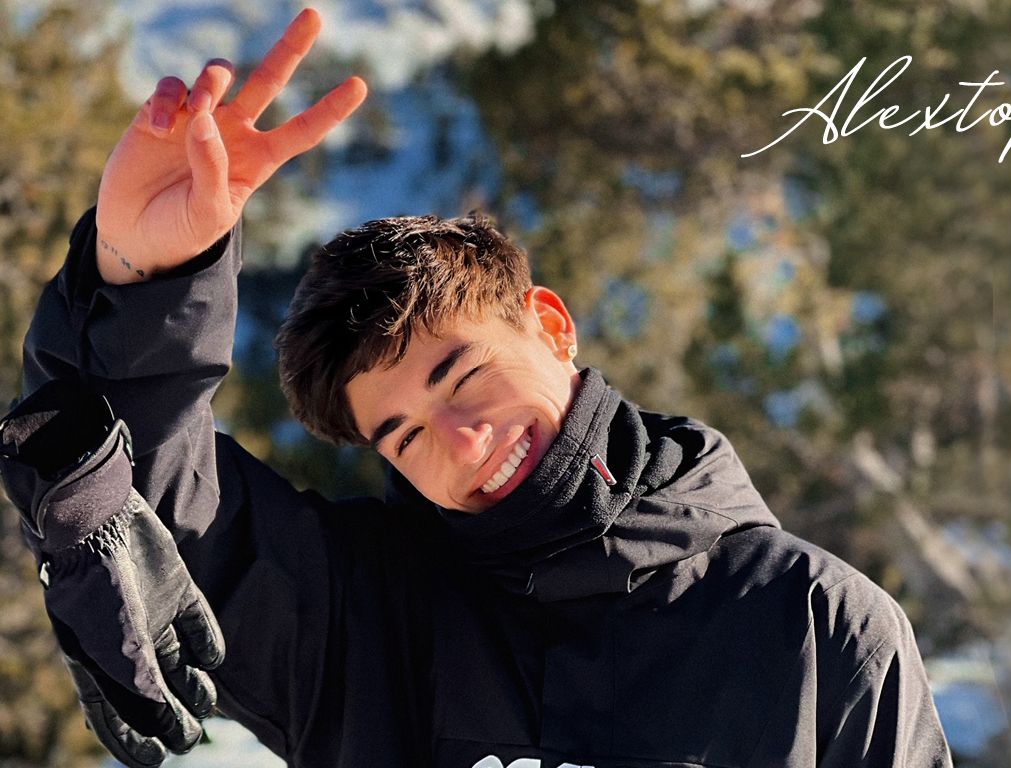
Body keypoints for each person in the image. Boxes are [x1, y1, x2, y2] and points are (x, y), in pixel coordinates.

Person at [12, 8, 952, 767]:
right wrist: (145, 269)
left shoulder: (812, 626)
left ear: (551, 324)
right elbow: (145, 499)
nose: (461, 441)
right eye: (405, 436)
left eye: (463, 374)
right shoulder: (364, 620)